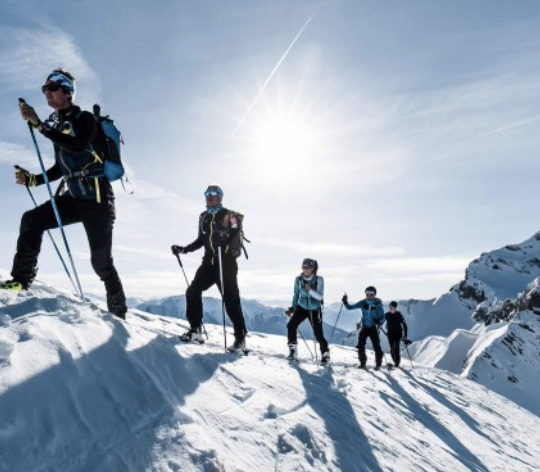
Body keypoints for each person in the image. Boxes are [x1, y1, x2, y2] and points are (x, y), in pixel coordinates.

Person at [2, 69, 127, 319]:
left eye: (51, 87)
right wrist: (33, 180)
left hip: (98, 199)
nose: (46, 92)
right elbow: (62, 167)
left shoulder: (86, 120)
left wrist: (39, 125)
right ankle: (21, 280)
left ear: (67, 92)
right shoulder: (59, 125)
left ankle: (118, 315)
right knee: (31, 219)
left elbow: (78, 145)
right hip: (74, 197)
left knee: (101, 263)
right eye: (44, 89)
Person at [171, 185, 248, 351]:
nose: (209, 197)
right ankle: (195, 330)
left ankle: (240, 338)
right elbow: (201, 240)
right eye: (207, 194)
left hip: (226, 263)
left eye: (213, 194)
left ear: (220, 197)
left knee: (231, 301)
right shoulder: (204, 217)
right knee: (192, 291)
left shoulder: (230, 215)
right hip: (209, 262)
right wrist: (184, 249)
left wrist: (225, 242)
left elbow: (236, 230)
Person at [285, 258, 330, 365]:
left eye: (308, 267)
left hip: (315, 310)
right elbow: (296, 295)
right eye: (303, 267)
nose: (305, 269)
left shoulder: (319, 280)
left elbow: (319, 296)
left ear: (313, 269)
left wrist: (310, 290)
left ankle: (325, 353)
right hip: (302, 307)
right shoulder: (298, 280)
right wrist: (292, 308)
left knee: (318, 335)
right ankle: (293, 351)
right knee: (291, 326)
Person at [342, 286, 385, 369]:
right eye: (367, 293)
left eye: (371, 294)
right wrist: (345, 302)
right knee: (360, 345)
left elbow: (383, 317)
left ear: (374, 295)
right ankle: (362, 363)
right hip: (364, 327)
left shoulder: (378, 304)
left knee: (376, 346)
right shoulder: (362, 303)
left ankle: (378, 364)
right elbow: (349, 308)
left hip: (373, 328)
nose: (369, 295)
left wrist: (378, 322)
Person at [385, 301, 409, 368]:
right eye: (390, 307)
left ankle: (397, 364)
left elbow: (405, 325)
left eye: (392, 307)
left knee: (396, 347)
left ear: (395, 307)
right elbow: (381, 320)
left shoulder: (399, 315)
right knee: (392, 349)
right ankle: (395, 362)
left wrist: (405, 335)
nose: (390, 308)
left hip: (398, 334)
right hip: (390, 334)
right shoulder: (387, 314)